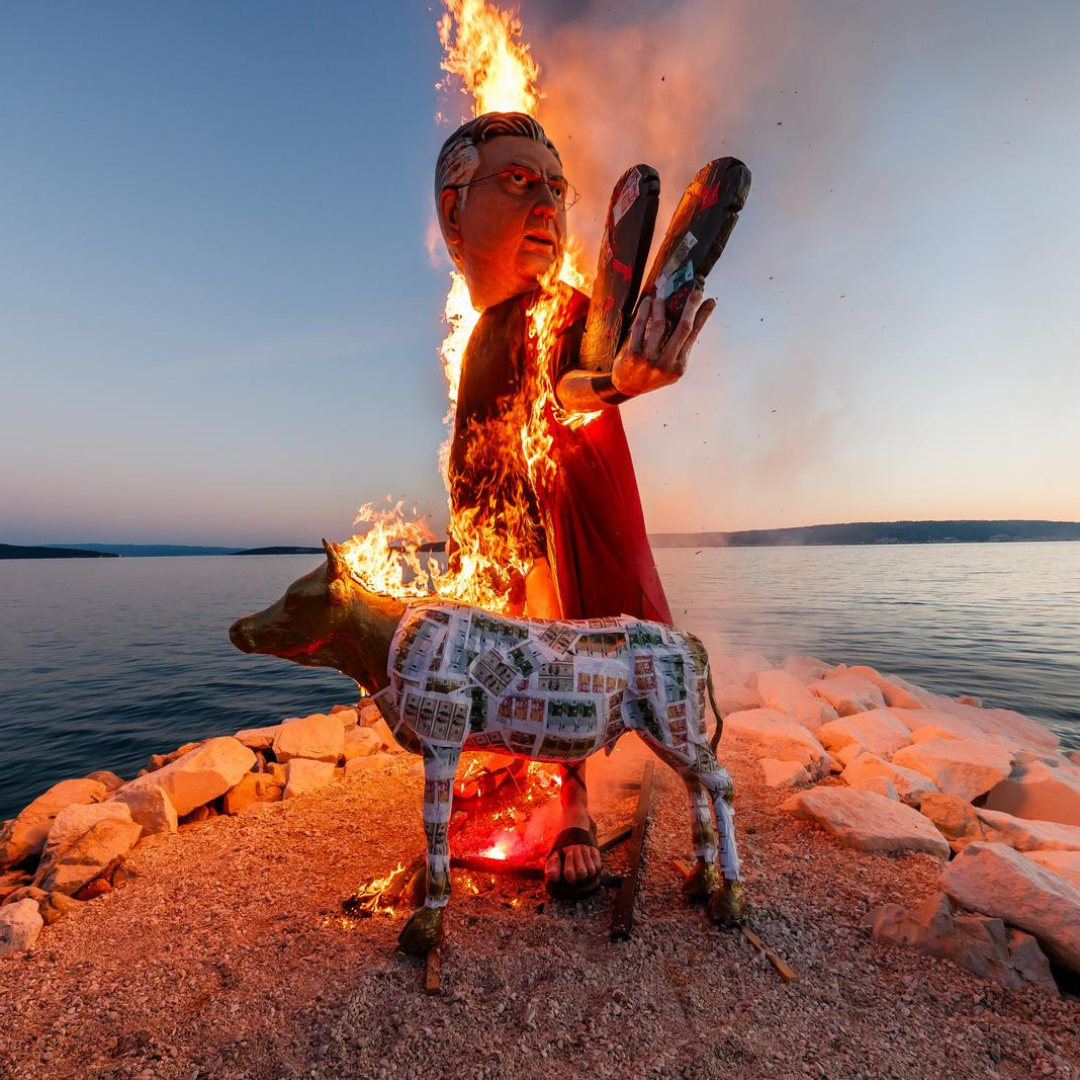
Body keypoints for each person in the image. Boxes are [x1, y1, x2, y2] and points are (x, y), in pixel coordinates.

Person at [435, 112, 715, 896]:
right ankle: (505, 761)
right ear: (454, 211)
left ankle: (572, 803)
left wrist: (621, 379)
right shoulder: (484, 332)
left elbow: (573, 379)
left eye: (557, 190)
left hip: (549, 506)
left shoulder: (560, 308)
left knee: (552, 629)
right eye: (520, 183)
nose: (549, 208)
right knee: (487, 633)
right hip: (486, 503)